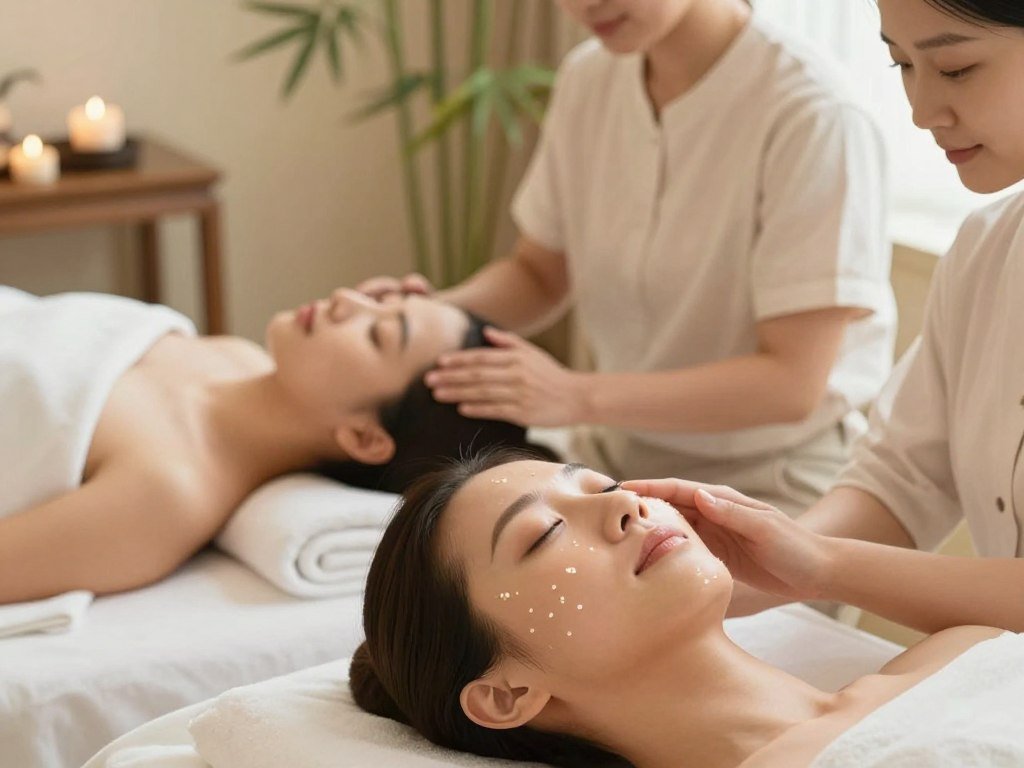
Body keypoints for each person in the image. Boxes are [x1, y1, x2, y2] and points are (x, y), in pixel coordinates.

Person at [360, 0, 895, 517]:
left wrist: (575, 395)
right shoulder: (589, 78)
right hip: (615, 462)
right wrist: (422, 314)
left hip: (768, 484)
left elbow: (789, 384)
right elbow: (539, 274)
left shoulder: (815, 114)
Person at [645, 0, 1024, 629]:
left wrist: (822, 563)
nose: (921, 111)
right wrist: (728, 570)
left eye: (956, 69)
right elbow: (902, 483)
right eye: (902, 64)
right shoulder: (988, 248)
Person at [350, 452, 1019, 768]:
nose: (624, 505)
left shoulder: (960, 646)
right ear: (506, 694)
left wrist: (820, 564)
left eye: (605, 484)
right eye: (546, 534)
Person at [0, 286, 543, 606]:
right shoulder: (234, 357)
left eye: (379, 334)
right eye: (380, 299)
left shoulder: (165, 497)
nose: (346, 300)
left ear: (364, 437)